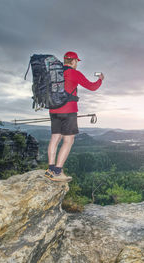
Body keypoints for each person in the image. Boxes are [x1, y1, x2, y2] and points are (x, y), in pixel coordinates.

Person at [44, 51, 104, 182]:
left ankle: (50, 169)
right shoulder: (74, 73)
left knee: (55, 138)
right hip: (69, 111)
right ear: (73, 61)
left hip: (53, 110)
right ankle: (58, 171)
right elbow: (92, 87)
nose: (77, 63)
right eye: (77, 61)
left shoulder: (55, 73)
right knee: (68, 140)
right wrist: (100, 79)